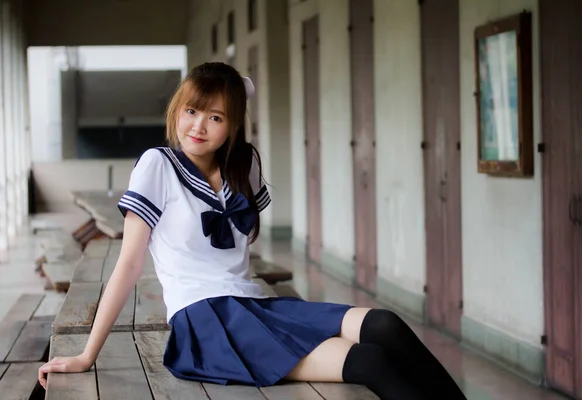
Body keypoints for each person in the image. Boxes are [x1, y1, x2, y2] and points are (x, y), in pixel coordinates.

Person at [38, 62, 466, 400]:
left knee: (385, 325)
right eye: (191, 111)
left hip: (255, 302)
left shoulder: (244, 164)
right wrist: (86, 354)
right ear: (177, 111)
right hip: (206, 321)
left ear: (233, 124)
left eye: (215, 116)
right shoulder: (158, 165)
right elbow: (128, 265)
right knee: (370, 363)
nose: (198, 127)